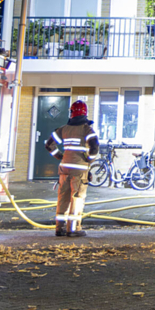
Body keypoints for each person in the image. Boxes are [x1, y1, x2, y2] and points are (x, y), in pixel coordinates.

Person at [44, 100, 99, 237]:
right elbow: (95, 147)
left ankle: (59, 228)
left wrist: (60, 156)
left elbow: (49, 145)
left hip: (64, 168)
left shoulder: (63, 129)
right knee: (77, 198)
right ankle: (73, 229)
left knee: (63, 198)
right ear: (84, 113)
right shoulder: (86, 129)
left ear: (72, 113)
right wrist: (89, 160)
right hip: (79, 170)